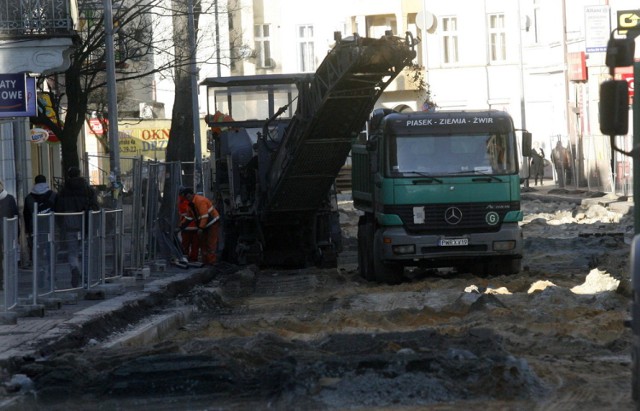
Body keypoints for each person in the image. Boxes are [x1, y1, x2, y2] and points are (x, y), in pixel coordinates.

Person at [55, 167, 99, 288]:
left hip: (69, 225)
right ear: (80, 174)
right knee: (85, 251)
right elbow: (95, 206)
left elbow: (58, 209)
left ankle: (75, 268)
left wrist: (60, 225)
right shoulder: (87, 190)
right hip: (85, 224)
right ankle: (86, 277)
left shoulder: (63, 191)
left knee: (72, 252)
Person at [179, 187, 220, 265]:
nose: (187, 199)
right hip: (205, 223)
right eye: (186, 198)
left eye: (188, 197)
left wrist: (201, 228)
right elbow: (188, 217)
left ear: (191, 195)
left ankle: (212, 261)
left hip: (212, 222)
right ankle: (206, 261)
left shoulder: (200, 201)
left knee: (211, 243)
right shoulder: (191, 204)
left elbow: (204, 216)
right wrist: (181, 226)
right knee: (203, 243)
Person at [24, 175, 57, 269]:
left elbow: (26, 215)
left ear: (35, 183)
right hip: (50, 227)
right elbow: (58, 211)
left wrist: (27, 230)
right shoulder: (53, 195)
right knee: (51, 251)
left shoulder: (29, 197)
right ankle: (51, 274)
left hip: (35, 228)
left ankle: (39, 273)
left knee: (37, 252)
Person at [0, 180, 18, 289]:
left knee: (7, 257)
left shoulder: (10, 198)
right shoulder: (9, 198)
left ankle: (5, 280)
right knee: (7, 257)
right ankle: (6, 280)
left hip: (8, 233)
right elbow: (15, 214)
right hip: (7, 232)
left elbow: (15, 214)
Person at [177, 193, 199, 262]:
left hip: (186, 227)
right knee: (195, 245)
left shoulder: (180, 202)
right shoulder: (192, 202)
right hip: (195, 227)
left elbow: (182, 216)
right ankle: (194, 259)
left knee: (185, 245)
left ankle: (185, 258)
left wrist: (180, 226)